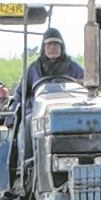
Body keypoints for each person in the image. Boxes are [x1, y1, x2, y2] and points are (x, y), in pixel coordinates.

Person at [12, 27, 85, 171]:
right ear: (43, 47)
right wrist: (13, 112)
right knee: (27, 123)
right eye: (49, 44)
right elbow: (20, 93)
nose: (52, 48)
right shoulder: (33, 69)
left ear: (62, 47)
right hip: (38, 113)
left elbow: (87, 85)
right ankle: (26, 168)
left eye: (56, 44)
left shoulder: (73, 67)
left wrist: (82, 83)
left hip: (68, 110)